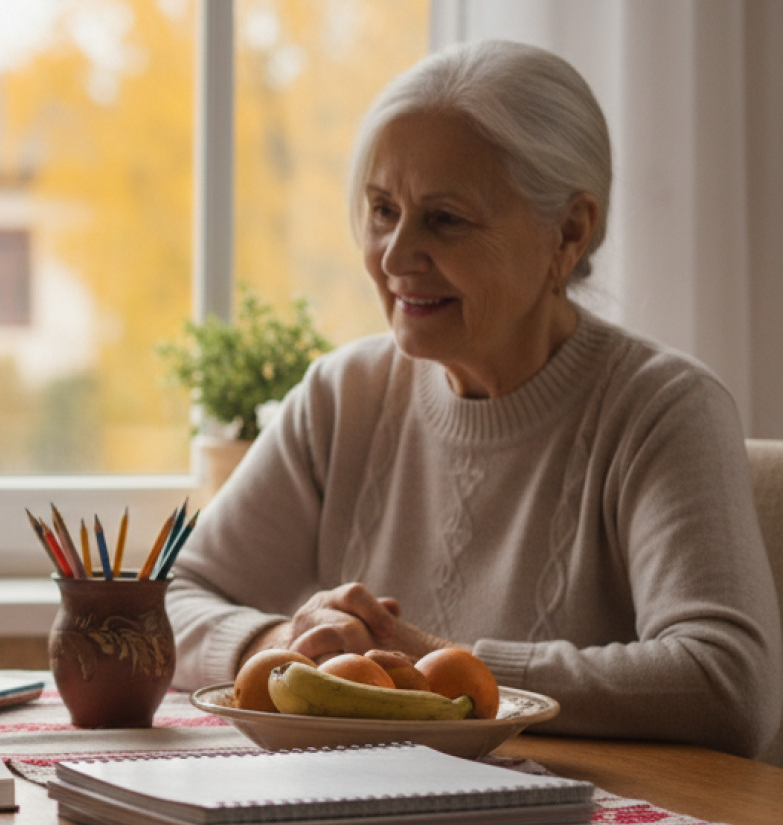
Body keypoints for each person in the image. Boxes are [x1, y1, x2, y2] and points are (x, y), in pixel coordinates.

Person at [167, 40, 782, 760]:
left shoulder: (664, 410)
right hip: (364, 821)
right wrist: (282, 642)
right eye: (382, 210)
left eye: (445, 219)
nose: (395, 258)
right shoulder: (344, 396)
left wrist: (440, 663)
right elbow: (167, 598)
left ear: (570, 232)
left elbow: (728, 684)